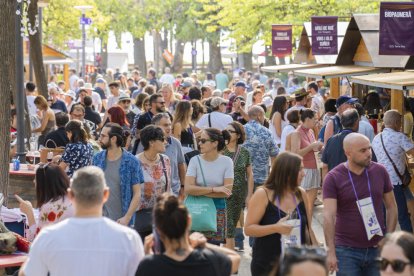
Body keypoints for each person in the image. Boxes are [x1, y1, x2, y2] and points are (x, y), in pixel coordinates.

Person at [19, 166, 144, 276]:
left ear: (71, 195)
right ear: (105, 194)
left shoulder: (47, 236)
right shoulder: (129, 238)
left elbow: (28, 273)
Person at [323, 133, 398, 276]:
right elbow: (329, 216)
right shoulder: (333, 177)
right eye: (363, 151)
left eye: (369, 148)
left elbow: (392, 207)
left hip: (378, 248)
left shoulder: (380, 171)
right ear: (348, 153)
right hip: (346, 251)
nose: (369, 153)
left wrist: (388, 238)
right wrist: (331, 251)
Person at [245, 152, 318, 276]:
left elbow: (307, 229)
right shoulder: (263, 194)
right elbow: (249, 229)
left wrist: (317, 255)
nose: (304, 174)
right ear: (287, 173)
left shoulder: (301, 193)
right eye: (300, 169)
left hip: (295, 265)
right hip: (267, 264)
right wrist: (276, 228)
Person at [135, 193, 240, 276]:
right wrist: (204, 244)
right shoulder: (210, 261)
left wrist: (147, 255)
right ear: (189, 221)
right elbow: (235, 257)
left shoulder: (149, 266)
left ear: (158, 229)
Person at [185, 128, 234, 244]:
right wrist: (214, 189)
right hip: (196, 210)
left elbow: (226, 192)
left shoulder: (227, 161)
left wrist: (198, 190)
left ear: (215, 143)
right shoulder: (194, 160)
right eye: (199, 140)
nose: (199, 143)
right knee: (192, 249)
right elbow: (188, 189)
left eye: (203, 140)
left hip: (217, 211)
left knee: (214, 250)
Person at [93, 123, 143, 227]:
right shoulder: (97, 158)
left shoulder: (132, 161)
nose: (99, 138)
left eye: (103, 136)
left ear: (113, 139)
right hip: (100, 220)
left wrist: (127, 218)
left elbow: (137, 193)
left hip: (122, 222)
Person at [372, 109, 414, 232]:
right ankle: (408, 243)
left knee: (388, 210)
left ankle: (384, 237)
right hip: (396, 181)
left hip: (382, 180)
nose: (401, 125)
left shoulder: (376, 138)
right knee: (402, 214)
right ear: (396, 123)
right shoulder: (399, 137)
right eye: (400, 122)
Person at [15, 164, 74, 241]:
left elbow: (36, 240)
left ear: (44, 183)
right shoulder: (73, 199)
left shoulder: (50, 207)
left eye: (36, 179)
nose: (34, 181)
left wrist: (29, 213)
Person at [135, 125, 172, 240]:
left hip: (162, 217)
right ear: (151, 142)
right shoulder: (134, 162)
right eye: (162, 139)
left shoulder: (165, 160)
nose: (165, 142)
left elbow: (168, 188)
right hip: (140, 217)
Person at [137, 114, 186, 198]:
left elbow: (181, 165)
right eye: (165, 125)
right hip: (146, 199)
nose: (169, 128)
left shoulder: (175, 144)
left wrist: (183, 186)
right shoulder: (141, 148)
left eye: (170, 124)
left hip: (172, 193)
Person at [222, 121, 253, 251]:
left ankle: (232, 246)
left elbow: (250, 175)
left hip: (239, 194)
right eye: (226, 130)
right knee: (227, 223)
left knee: (234, 221)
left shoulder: (244, 152)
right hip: (222, 192)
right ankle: (229, 249)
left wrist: (249, 195)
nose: (227, 133)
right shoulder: (219, 150)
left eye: (230, 131)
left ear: (238, 135)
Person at [290, 108, 323, 221]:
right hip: (305, 170)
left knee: (310, 204)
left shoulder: (311, 131)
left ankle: (308, 227)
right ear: (308, 119)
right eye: (315, 119)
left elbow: (313, 148)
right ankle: (299, 226)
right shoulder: (297, 133)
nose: (316, 122)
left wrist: (319, 147)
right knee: (301, 202)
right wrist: (311, 147)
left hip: (315, 168)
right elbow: (295, 153)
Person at [243, 106, 279, 190]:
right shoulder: (267, 132)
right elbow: (274, 154)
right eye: (263, 116)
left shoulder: (241, 130)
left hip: (243, 177)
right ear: (259, 116)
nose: (264, 118)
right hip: (261, 177)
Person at [322, 108, 360, 175]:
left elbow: (325, 166)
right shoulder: (361, 141)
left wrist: (326, 184)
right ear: (357, 122)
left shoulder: (331, 140)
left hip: (334, 182)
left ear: (342, 122)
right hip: (354, 182)